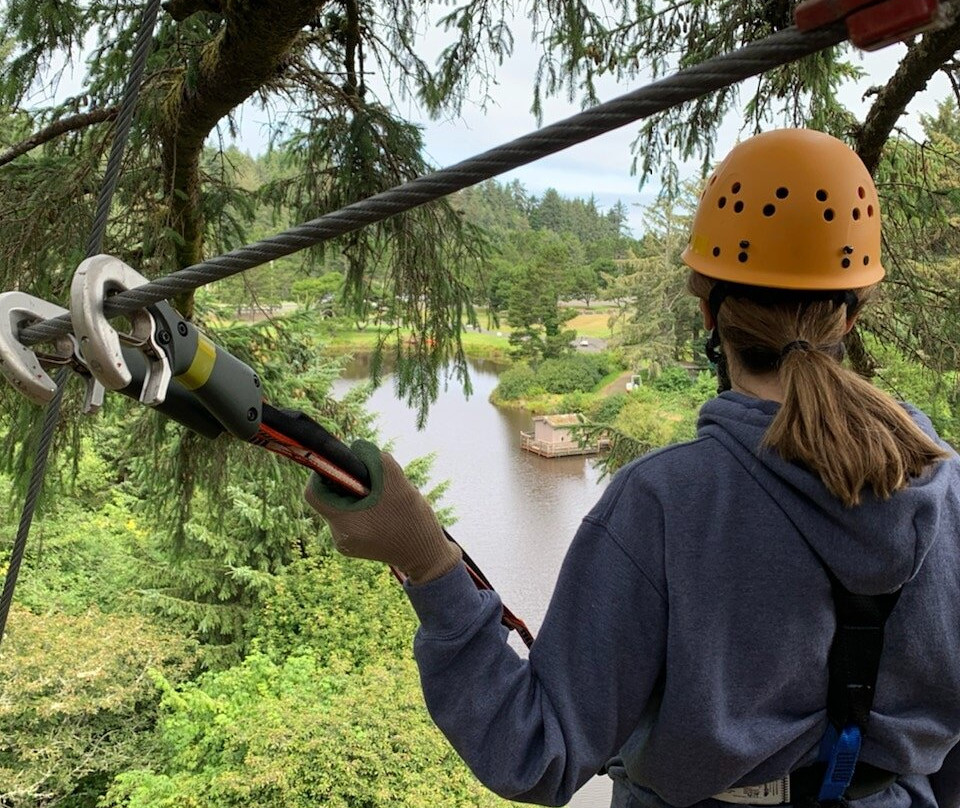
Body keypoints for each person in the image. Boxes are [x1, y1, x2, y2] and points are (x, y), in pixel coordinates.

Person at [305, 129, 960, 808]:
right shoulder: (947, 490)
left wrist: (426, 562)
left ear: (707, 310)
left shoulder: (666, 503)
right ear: (852, 315)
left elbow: (535, 752)